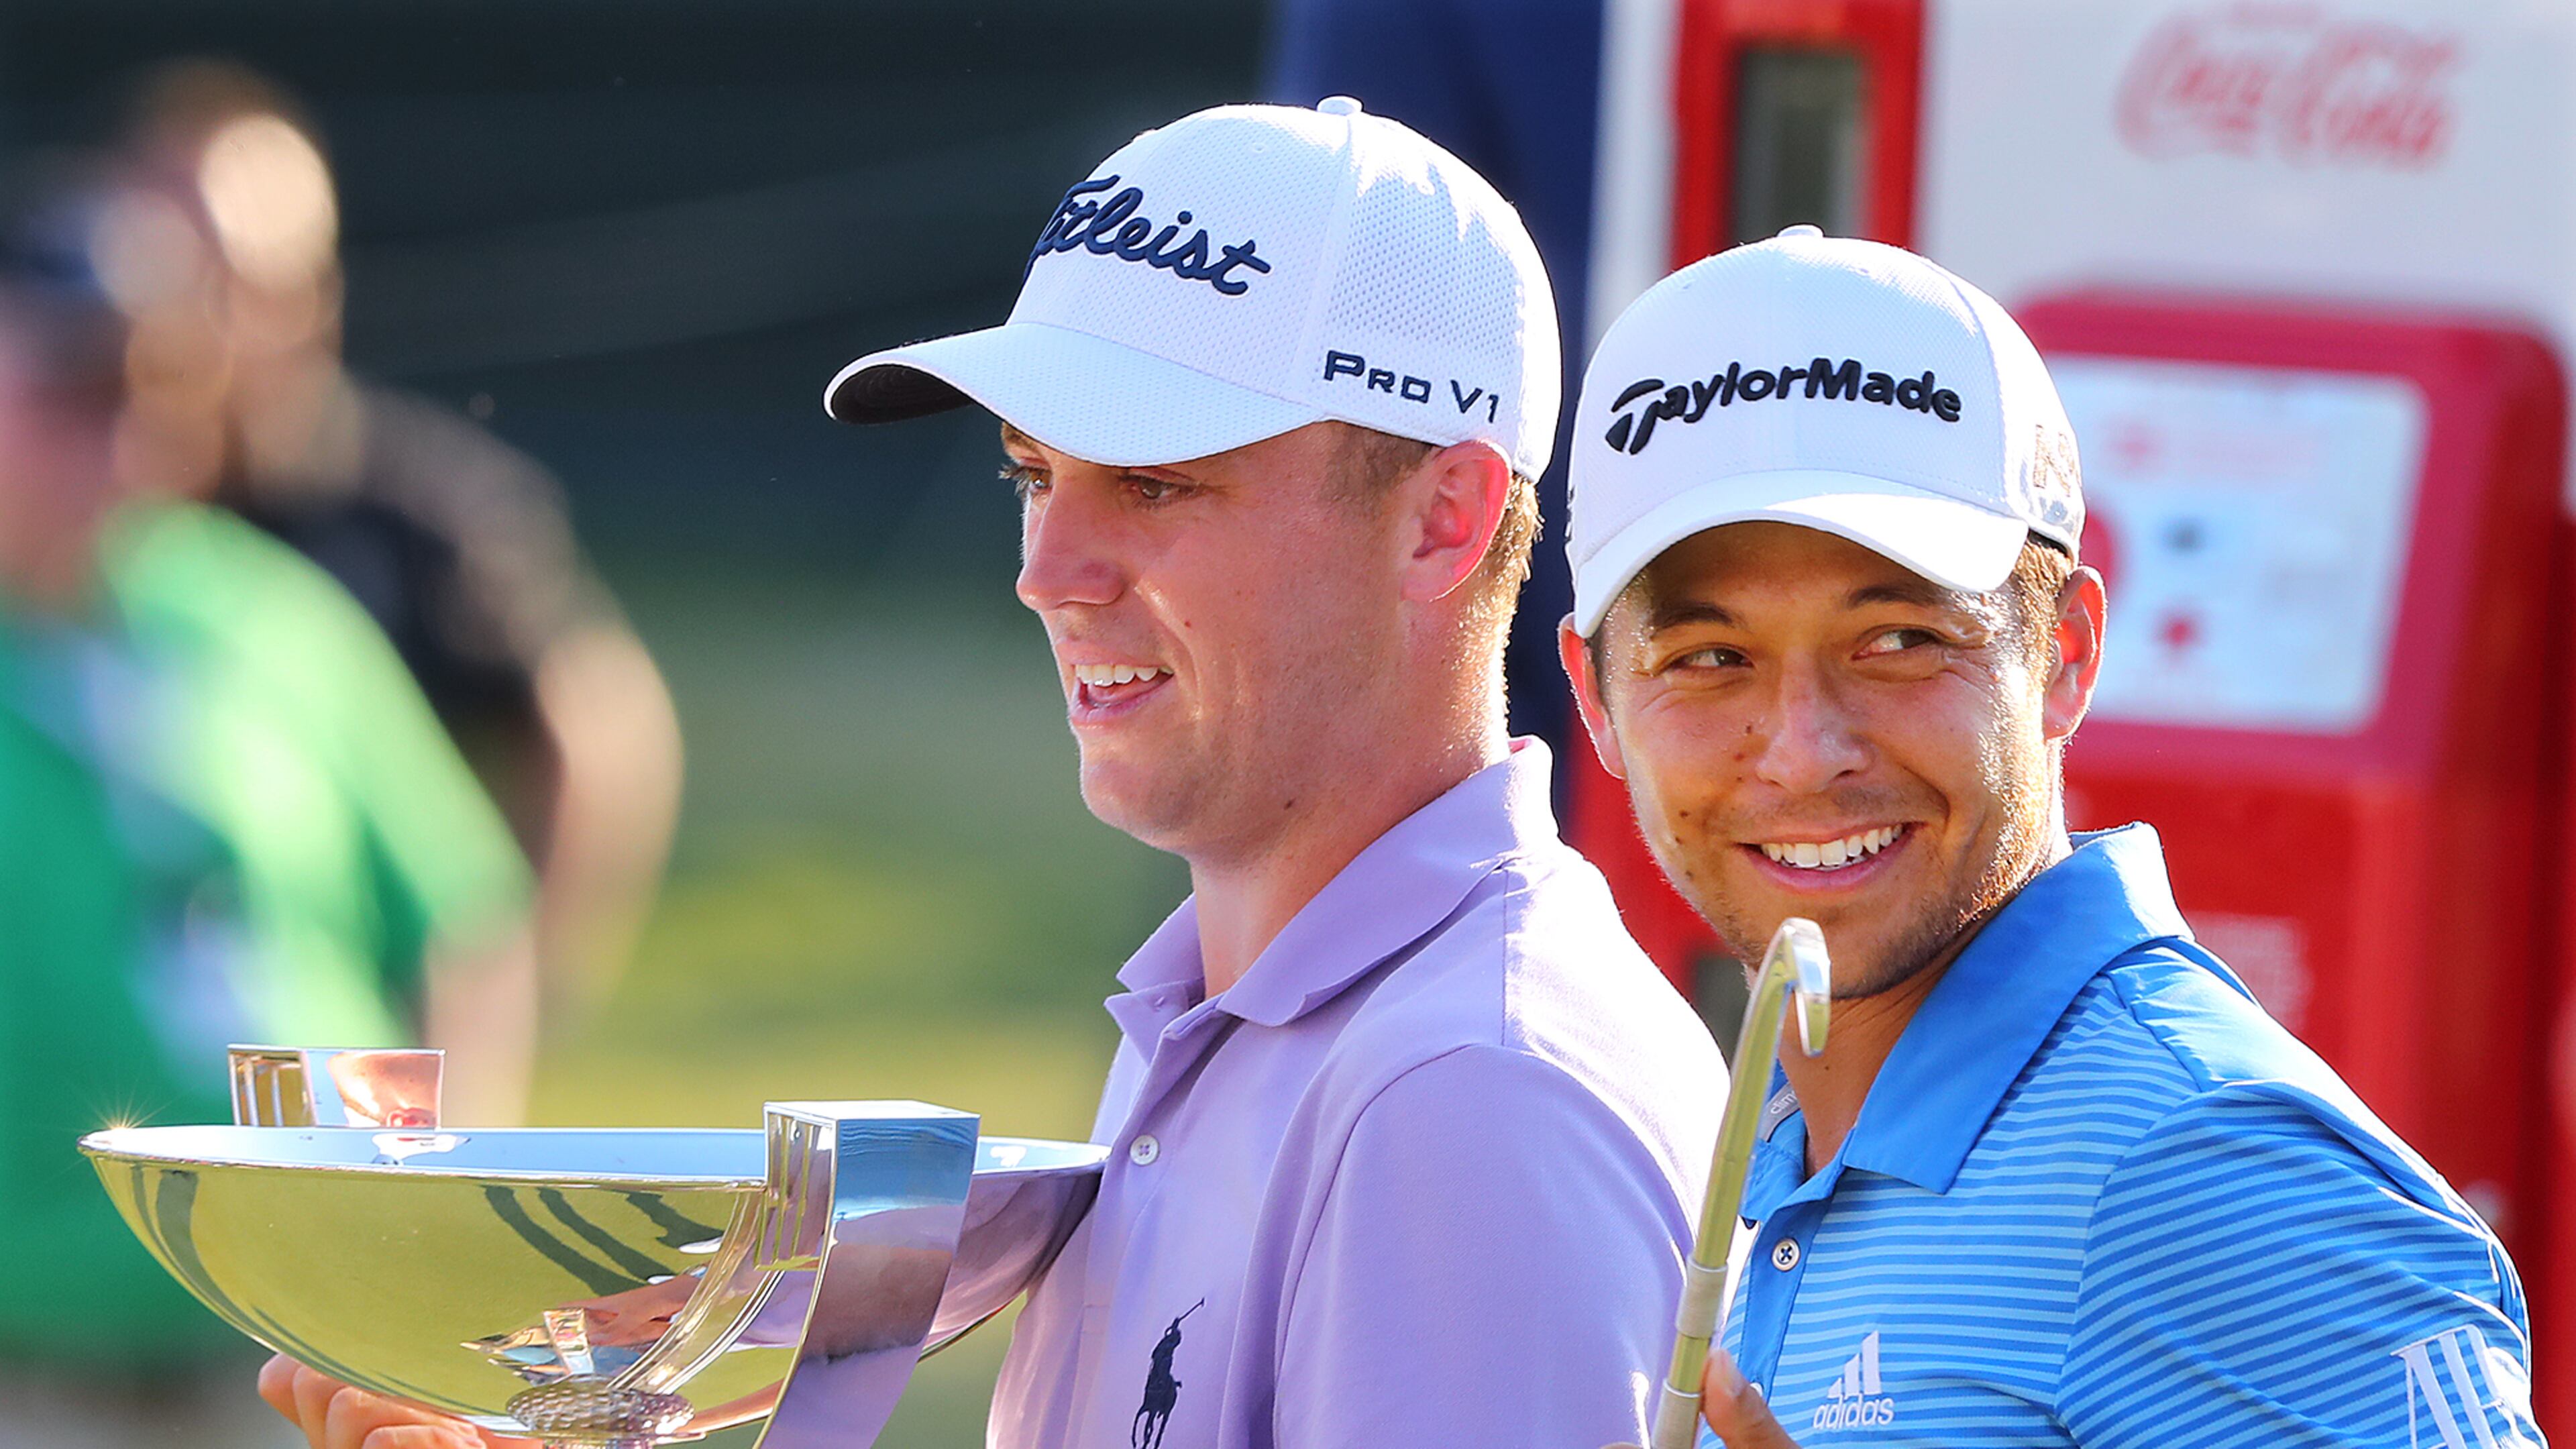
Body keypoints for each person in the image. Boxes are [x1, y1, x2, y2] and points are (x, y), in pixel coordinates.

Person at [260, 98, 1725, 1449]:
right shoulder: (1236, 1017)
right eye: (1035, 475)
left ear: (1443, 519)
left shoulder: (1469, 1096)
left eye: (1158, 481)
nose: (1047, 571)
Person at [1559, 229, 2541, 1446]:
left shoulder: (2206, 1158)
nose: (1805, 750)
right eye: (1711, 660)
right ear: (1597, 702)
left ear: (2065, 655)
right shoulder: (1779, 1137)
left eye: (1900, 640)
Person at [0, 168, 539, 1426]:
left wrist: (446, 1208)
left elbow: (463, 916)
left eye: (157, 388)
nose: (128, 439)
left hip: (312, 1334)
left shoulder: (265, 612)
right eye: (73, 393)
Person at [113, 61, 682, 1023]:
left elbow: (601, 731)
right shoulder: (76, 518)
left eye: (240, 284)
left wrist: (511, 997)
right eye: (171, 278)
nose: (205, 323)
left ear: (313, 296)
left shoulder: (415, 507)